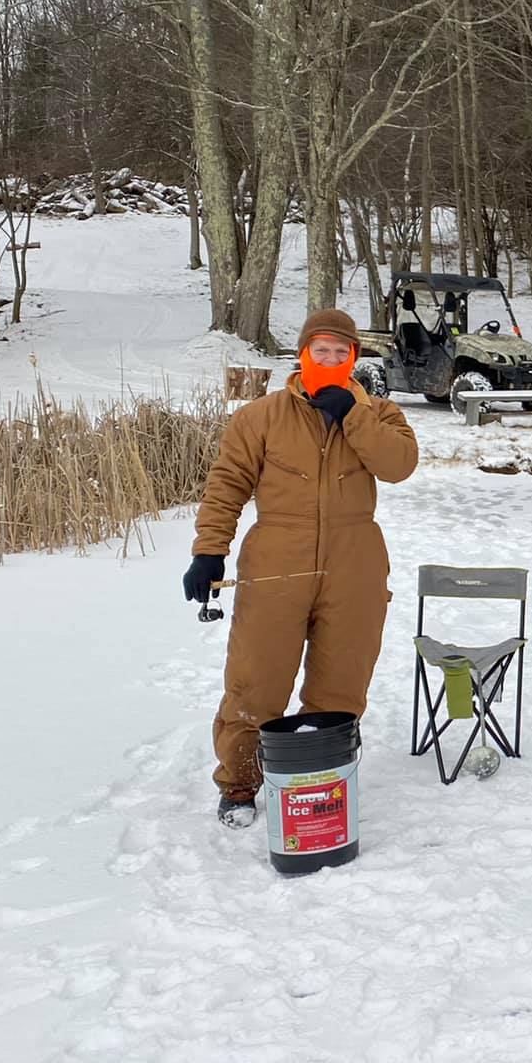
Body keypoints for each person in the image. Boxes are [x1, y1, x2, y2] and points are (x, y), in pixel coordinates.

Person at [183, 308, 419, 826]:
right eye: (322, 350)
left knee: (341, 684)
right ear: (303, 353)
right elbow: (226, 485)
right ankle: (241, 783)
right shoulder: (260, 417)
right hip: (276, 563)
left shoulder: (380, 413)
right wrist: (209, 550)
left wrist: (350, 416)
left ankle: (319, 779)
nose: (331, 359)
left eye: (342, 352)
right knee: (256, 680)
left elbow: (399, 466)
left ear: (354, 358)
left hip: (354, 564)